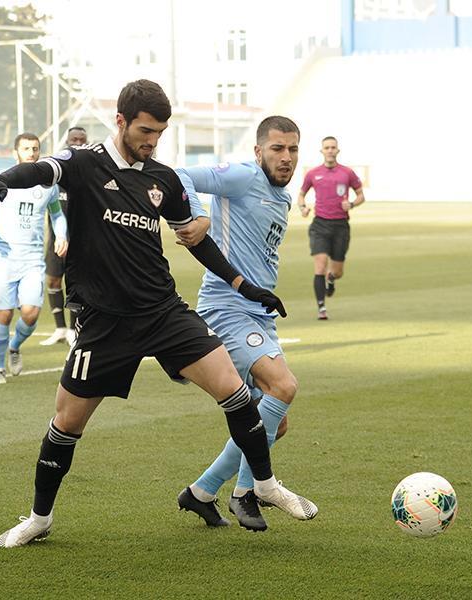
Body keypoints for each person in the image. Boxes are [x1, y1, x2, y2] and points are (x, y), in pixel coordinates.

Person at [0, 79, 315, 548]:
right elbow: (42, 170)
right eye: (145, 131)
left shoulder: (162, 178)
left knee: (236, 393)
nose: (152, 141)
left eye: (159, 133)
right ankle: (39, 518)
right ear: (121, 121)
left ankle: (263, 485)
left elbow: (198, 242)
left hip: (163, 312)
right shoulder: (85, 162)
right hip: (104, 322)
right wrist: (3, 180)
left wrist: (243, 285)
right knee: (66, 424)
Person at [175, 116, 316, 532]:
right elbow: (180, 174)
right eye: (277, 148)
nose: (286, 157)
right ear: (258, 151)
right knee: (283, 387)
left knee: (275, 422)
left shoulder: (282, 197)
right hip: (226, 308)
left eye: (292, 149)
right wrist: (197, 216)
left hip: (258, 313)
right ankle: (245, 492)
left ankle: (201, 492)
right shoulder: (242, 176)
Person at [0, 133, 68, 384]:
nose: (31, 153)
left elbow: (57, 214)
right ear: (15, 153)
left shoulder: (48, 186)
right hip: (3, 258)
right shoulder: (1, 179)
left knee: (31, 314)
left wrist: (62, 235)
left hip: (32, 259)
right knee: (4, 314)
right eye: (26, 148)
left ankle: (15, 346)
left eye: (35, 148)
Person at [296, 136, 365, 319]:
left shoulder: (347, 173)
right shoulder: (313, 174)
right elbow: (301, 195)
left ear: (337, 150)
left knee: (337, 271)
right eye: (327, 147)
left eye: (333, 147)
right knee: (320, 265)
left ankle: (332, 279)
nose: (330, 150)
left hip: (341, 226)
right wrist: (303, 208)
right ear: (322, 151)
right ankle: (321, 308)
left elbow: (361, 195)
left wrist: (351, 204)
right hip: (320, 225)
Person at [40, 126, 88, 347]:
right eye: (73, 139)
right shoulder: (57, 173)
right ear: (67, 142)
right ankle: (60, 328)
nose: (77, 142)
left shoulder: (90, 173)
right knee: (53, 280)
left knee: (76, 285)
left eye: (81, 139)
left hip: (82, 242)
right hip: (57, 240)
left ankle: (73, 330)